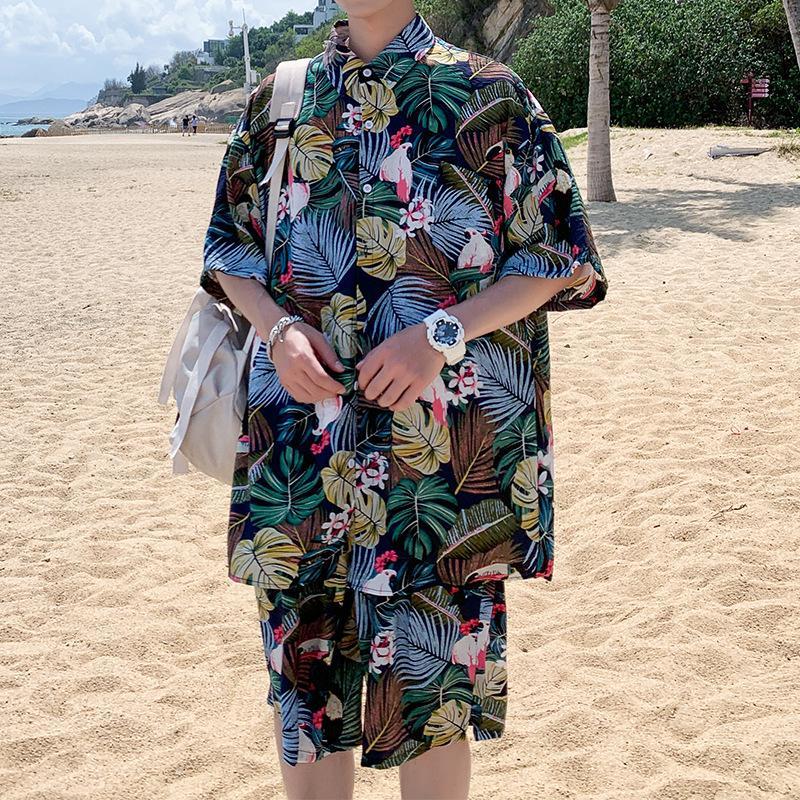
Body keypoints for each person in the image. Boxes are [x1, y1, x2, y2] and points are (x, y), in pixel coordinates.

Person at [198, 2, 608, 798]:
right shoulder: (281, 99)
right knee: (304, 699)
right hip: (302, 453)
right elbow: (228, 248)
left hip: (440, 466)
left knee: (433, 701)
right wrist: (278, 331)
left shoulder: (487, 94)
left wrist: (439, 336)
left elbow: (558, 257)